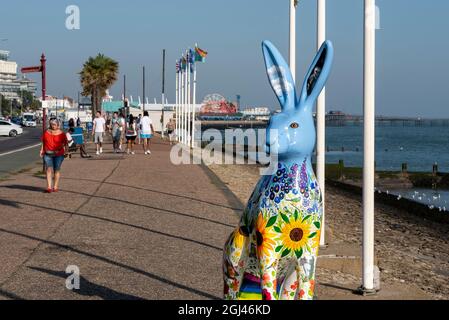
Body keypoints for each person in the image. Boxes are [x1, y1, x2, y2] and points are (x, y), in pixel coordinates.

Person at [40, 118, 68, 193]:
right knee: (48, 169)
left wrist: (66, 151)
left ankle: (55, 186)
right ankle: (49, 187)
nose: (53, 126)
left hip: (58, 154)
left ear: (58, 125)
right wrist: (41, 150)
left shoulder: (62, 134)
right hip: (48, 153)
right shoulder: (46, 132)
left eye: (54, 124)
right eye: (52, 124)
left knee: (56, 169)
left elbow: (65, 143)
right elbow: (44, 142)